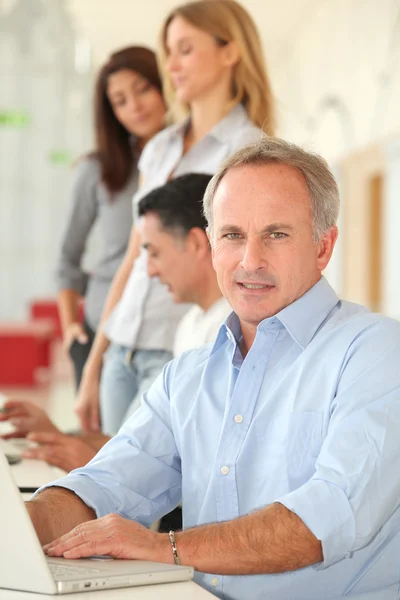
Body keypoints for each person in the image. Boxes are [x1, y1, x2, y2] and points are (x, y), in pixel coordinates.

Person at [26, 137, 400, 600]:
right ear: (212, 245)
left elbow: (327, 517)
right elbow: (104, 485)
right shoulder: (187, 376)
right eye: (233, 235)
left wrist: (165, 547)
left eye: (276, 234)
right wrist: (24, 523)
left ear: (324, 247)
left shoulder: (376, 352)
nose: (250, 261)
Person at [75, 0, 276, 436]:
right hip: (121, 349)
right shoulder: (158, 148)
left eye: (185, 49)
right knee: (108, 484)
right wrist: (94, 364)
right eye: (169, 51)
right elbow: (133, 257)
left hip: (178, 350)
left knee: (142, 492)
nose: (172, 65)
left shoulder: (249, 151)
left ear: (229, 51)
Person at [0, 173, 230, 473]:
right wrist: (57, 435)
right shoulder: (191, 324)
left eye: (154, 253)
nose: (149, 272)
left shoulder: (230, 332)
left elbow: (191, 461)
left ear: (197, 243)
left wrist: (95, 464)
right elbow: (147, 441)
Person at [56, 46, 166, 389]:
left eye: (143, 89)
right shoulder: (95, 171)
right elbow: (67, 259)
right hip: (102, 328)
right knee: (97, 441)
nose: (134, 107)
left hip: (166, 329)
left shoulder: (193, 160)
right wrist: (71, 328)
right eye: (120, 101)